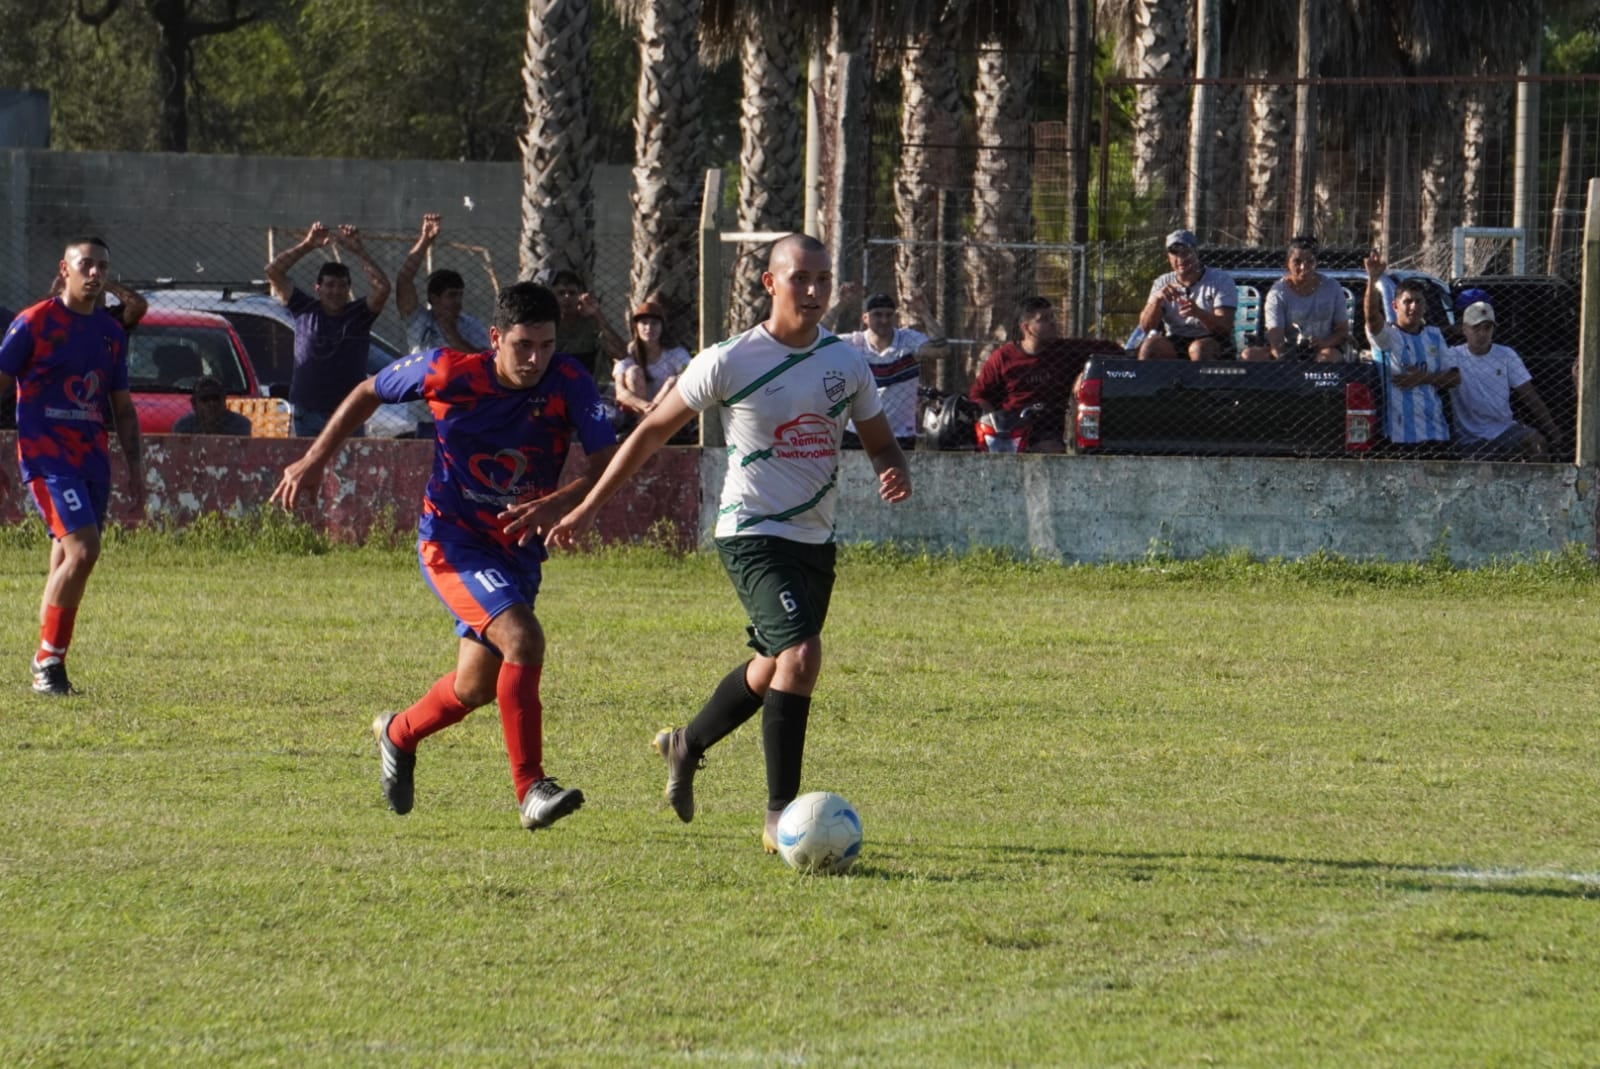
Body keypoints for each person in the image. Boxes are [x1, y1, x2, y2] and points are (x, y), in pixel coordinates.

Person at [536, 233, 911, 854]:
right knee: (801, 656)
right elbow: (651, 432)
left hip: (815, 539)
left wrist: (892, 467)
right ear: (771, 283)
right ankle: (780, 818)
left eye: (822, 279)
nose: (814, 291)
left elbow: (879, 440)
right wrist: (587, 506)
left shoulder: (846, 364)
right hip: (752, 532)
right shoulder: (729, 359)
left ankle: (686, 744)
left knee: (772, 667)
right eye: (800, 279)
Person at [270, 281, 618, 832]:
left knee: (476, 686)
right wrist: (315, 460)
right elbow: (367, 392)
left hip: (517, 548)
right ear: (496, 338)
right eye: (524, 345)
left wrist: (561, 502)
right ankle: (531, 789)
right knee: (522, 637)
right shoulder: (446, 371)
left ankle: (398, 733)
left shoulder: (568, 380)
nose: (535, 359)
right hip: (452, 541)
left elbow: (607, 459)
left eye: (547, 346)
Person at [0, 236, 145, 696]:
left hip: (91, 458)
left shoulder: (110, 333)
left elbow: (122, 408)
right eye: (87, 264)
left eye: (103, 266)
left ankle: (47, 659)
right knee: (84, 549)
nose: (96, 274)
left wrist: (136, 470)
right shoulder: (34, 322)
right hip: (47, 455)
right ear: (65, 268)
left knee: (65, 558)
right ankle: (49, 663)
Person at [265, 221, 391, 437]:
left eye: (342, 286)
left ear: (349, 289)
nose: (336, 291)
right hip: (308, 412)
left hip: (348, 411)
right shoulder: (304, 308)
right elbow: (273, 271)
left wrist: (358, 250)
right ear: (318, 288)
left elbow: (383, 288)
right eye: (330, 285)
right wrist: (308, 244)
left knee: (347, 468)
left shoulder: (359, 314)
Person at [828, 283, 949, 449]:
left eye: (889, 315)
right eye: (877, 315)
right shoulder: (853, 344)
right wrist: (840, 305)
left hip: (899, 435)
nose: (884, 320)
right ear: (865, 318)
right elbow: (813, 340)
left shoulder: (907, 340)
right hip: (855, 433)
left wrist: (924, 312)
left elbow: (941, 349)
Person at [1439, 301, 1561, 461]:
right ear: (1464, 330)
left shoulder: (1506, 355)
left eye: (1487, 328)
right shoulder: (1452, 356)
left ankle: (1541, 484)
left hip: (1504, 428)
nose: (1482, 334)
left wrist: (1552, 429)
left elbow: (1528, 394)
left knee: (1536, 442)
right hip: (1469, 435)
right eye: (1476, 328)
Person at [1362, 249, 1454, 457]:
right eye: (1408, 301)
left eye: (1419, 301)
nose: (1413, 307)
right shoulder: (1387, 337)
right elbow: (1371, 317)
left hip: (1437, 432)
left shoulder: (1434, 336)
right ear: (1395, 306)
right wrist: (1372, 279)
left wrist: (1423, 378)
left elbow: (1454, 377)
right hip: (1401, 436)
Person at [967, 296, 1084, 453]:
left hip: (1046, 432)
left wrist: (1085, 372)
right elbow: (977, 395)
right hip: (1008, 430)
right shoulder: (1003, 357)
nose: (1052, 322)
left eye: (1052, 317)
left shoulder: (1066, 351)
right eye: (1043, 319)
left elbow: (1110, 350)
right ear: (1027, 328)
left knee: (1051, 449)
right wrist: (992, 419)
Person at [395, 213, 491, 354]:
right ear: (434, 298)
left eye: (460, 295)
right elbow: (404, 280)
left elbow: (485, 361)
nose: (458, 301)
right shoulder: (419, 321)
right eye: (452, 295)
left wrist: (452, 334)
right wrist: (425, 240)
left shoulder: (471, 325)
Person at [1137, 229, 1237, 361]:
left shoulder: (1220, 280)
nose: (1180, 259)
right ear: (1169, 257)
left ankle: (1202, 382)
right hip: (1175, 338)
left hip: (1210, 339)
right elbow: (1146, 327)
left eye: (1186, 252)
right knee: (1150, 347)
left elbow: (1225, 327)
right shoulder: (1162, 282)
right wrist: (1156, 300)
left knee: (1199, 349)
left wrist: (1198, 313)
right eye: (1175, 253)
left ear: (1196, 252)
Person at [1250, 236, 1349, 363]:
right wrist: (1282, 357)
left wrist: (1323, 343)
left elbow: (1342, 331)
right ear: (1287, 263)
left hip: (1322, 348)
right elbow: (1275, 336)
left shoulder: (1332, 288)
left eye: (1310, 261)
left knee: (1328, 356)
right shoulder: (1277, 293)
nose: (1303, 267)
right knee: (1250, 355)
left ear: (1316, 263)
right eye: (1297, 262)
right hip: (1287, 351)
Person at [611, 300, 691, 428]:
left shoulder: (677, 353)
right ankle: (642, 424)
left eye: (654, 323)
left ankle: (646, 425)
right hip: (638, 411)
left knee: (674, 380)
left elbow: (689, 381)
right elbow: (619, 392)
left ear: (662, 327)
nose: (649, 328)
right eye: (644, 323)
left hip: (669, 410)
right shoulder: (628, 353)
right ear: (636, 327)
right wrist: (646, 407)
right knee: (633, 372)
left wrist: (656, 404)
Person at [548, 269, 626, 381]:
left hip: (586, 383)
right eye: (561, 293)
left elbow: (621, 354)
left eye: (572, 293)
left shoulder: (591, 323)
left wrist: (597, 315)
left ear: (580, 296)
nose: (567, 297)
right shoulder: (546, 324)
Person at [171, 376, 252, 436]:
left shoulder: (240, 425)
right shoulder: (183, 427)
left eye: (216, 398)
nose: (211, 403)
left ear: (224, 401)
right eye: (205, 399)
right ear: (194, 404)